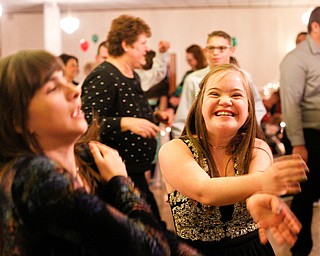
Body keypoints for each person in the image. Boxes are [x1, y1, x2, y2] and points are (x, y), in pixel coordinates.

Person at [0, 49, 193, 256]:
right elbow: (152, 248)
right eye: (53, 88)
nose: (74, 90)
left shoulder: (89, 157)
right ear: (18, 121)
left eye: (66, 80)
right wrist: (120, 181)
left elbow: (159, 237)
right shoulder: (33, 175)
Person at [159, 64, 308, 256]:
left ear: (248, 109)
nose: (225, 101)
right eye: (214, 94)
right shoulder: (175, 150)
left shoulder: (258, 148)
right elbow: (204, 191)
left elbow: (257, 187)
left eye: (236, 95)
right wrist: (262, 183)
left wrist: (259, 197)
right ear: (200, 104)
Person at [81, 14, 172, 223]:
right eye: (143, 43)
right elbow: (87, 123)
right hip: (115, 180)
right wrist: (125, 122)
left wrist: (155, 115)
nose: (147, 49)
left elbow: (129, 110)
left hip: (134, 175)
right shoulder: (104, 75)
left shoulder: (132, 75)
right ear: (125, 45)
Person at [171, 31, 266, 139]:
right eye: (211, 48)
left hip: (238, 138)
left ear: (231, 50)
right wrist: (185, 145)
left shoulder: (244, 77)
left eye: (221, 48)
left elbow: (257, 107)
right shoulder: (193, 79)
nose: (215, 52)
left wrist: (246, 130)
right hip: (203, 139)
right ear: (205, 51)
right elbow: (183, 117)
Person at [279, 6, 320, 256]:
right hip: (309, 136)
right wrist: (298, 144)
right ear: (315, 26)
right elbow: (291, 104)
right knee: (305, 196)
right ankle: (299, 248)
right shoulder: (297, 59)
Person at [169, 44, 207, 112]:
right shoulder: (188, 74)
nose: (188, 63)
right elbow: (179, 90)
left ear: (198, 59)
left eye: (190, 60)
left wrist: (180, 100)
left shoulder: (205, 74)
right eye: (187, 60)